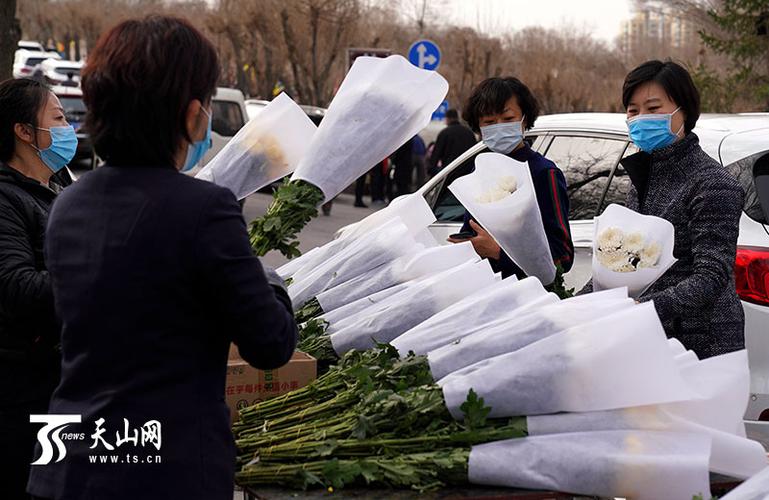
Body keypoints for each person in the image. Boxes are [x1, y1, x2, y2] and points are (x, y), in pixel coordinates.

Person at [27, 16, 297, 500]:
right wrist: (266, 274)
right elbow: (271, 344)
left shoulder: (70, 202)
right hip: (163, 472)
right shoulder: (204, 209)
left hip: (70, 466)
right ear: (193, 114)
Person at [585, 60, 745, 359]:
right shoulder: (645, 176)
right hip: (651, 337)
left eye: (653, 108)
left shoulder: (712, 184)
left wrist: (642, 310)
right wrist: (571, 306)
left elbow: (711, 276)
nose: (641, 118)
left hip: (698, 346)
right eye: (633, 110)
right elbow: (626, 262)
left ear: (683, 110)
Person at [0, 78, 75, 500]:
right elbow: (16, 287)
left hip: (55, 382)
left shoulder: (57, 189)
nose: (68, 130)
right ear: (24, 132)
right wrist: (98, 273)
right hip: (20, 391)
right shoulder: (6, 199)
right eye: (59, 118)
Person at [449, 77, 574, 280]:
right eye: (489, 122)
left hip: (527, 296)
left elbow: (563, 257)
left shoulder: (543, 173)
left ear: (524, 119)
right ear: (479, 127)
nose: (499, 127)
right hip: (482, 290)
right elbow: (471, 231)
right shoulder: (481, 171)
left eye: (508, 119)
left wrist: (498, 252)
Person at [427, 108, 477, 176]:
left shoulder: (445, 133)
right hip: (467, 174)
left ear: (447, 119)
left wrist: (431, 171)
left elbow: (436, 154)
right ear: (457, 118)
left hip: (449, 173)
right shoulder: (469, 133)